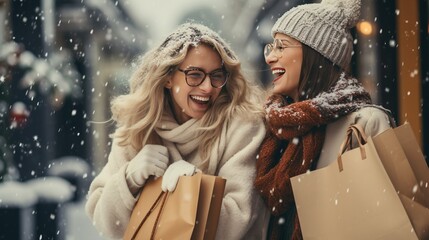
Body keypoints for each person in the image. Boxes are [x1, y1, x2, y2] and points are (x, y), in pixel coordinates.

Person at [85, 23, 267, 239]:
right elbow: (104, 220)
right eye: (195, 74)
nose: (208, 87)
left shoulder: (242, 125)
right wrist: (130, 177)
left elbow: (240, 219)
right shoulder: (139, 127)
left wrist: (191, 188)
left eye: (216, 76)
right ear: (168, 77)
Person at [253, 0, 393, 239]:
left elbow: (392, 215)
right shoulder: (273, 126)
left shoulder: (364, 122)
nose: (270, 58)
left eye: (281, 46)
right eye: (270, 47)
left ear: (314, 53)